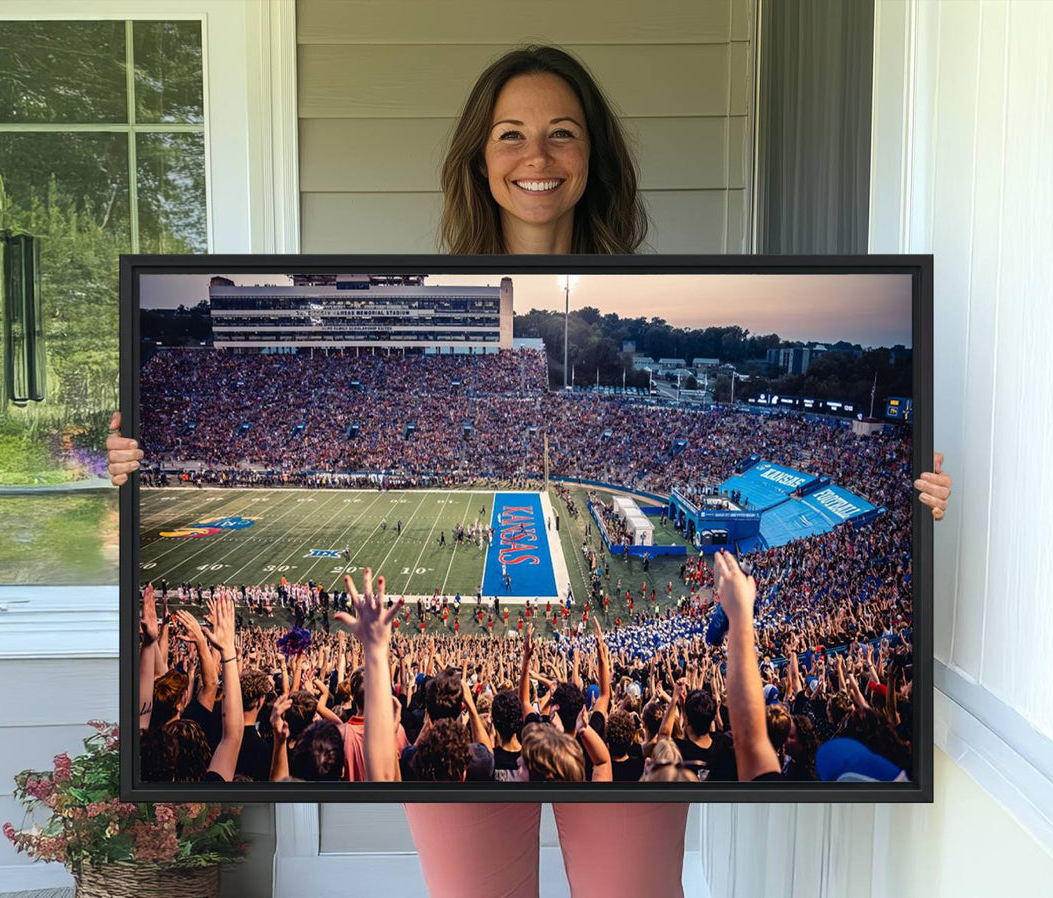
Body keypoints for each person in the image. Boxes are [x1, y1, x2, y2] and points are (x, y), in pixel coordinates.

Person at [108, 42, 954, 898]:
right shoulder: (425, 274)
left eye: (563, 133)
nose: (537, 157)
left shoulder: (659, 276)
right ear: (479, 157)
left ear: (596, 157)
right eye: (510, 134)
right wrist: (129, 459)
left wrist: (914, 498)